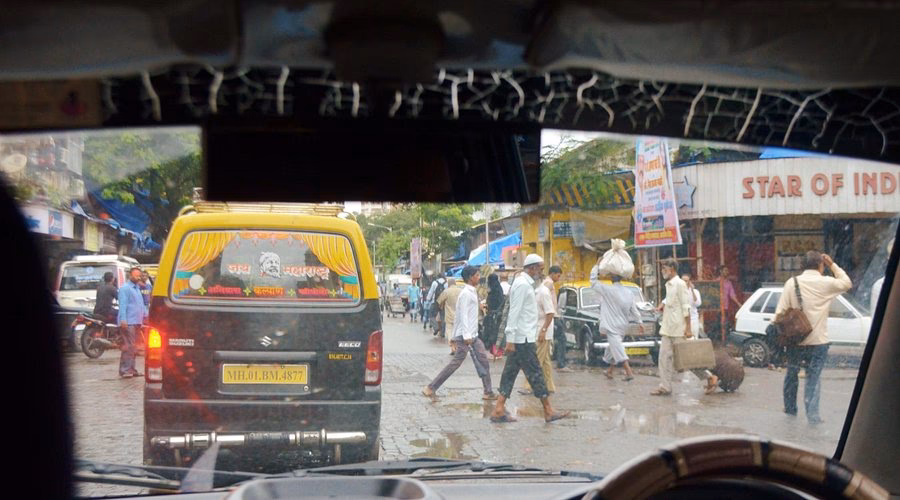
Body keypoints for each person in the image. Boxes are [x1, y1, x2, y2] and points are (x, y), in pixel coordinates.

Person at [489, 254, 570, 423]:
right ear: (531, 268)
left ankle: (498, 408)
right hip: (521, 339)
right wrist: (510, 340)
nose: (542, 273)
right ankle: (548, 410)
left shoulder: (528, 285)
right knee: (536, 374)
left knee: (510, 374)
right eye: (540, 269)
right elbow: (514, 312)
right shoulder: (522, 285)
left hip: (523, 337)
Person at [776, 251, 852, 425]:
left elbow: (780, 313)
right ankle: (813, 415)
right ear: (821, 265)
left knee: (792, 373)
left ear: (802, 266)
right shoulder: (826, 283)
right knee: (813, 377)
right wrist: (833, 264)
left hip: (796, 341)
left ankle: (790, 409)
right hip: (818, 342)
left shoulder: (791, 283)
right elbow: (847, 283)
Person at [422, 266, 497, 400]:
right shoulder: (466, 294)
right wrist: (465, 336)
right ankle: (431, 387)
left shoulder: (472, 291)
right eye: (477, 275)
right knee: (455, 363)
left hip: (472, 334)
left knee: (483, 361)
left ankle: (488, 391)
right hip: (466, 336)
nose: (479, 278)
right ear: (470, 277)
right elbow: (462, 315)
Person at [652, 259, 718, 396]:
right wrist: (661, 307)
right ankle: (665, 387)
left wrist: (687, 328)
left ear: (672, 269)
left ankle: (709, 377)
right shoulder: (669, 285)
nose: (663, 271)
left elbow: (685, 307)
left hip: (678, 329)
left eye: (665, 268)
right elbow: (670, 303)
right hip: (667, 328)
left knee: (686, 359)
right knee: (663, 358)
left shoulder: (680, 284)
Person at [594, 272, 643, 381]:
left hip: (611, 326)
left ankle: (629, 372)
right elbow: (634, 309)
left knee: (617, 348)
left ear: (611, 278)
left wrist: (596, 267)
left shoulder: (607, 290)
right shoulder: (628, 292)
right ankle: (610, 371)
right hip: (622, 326)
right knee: (613, 347)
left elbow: (593, 282)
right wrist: (639, 322)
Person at [521, 265, 562, 394]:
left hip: (542, 331)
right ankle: (549, 386)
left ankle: (529, 386)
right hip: (537, 329)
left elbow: (550, 313)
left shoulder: (543, 292)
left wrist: (543, 331)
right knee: (545, 361)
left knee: (535, 360)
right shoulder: (534, 291)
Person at [117, 267, 147, 378]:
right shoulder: (125, 289)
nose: (138, 277)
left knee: (134, 347)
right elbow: (123, 305)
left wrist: (144, 317)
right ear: (130, 276)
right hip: (128, 322)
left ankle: (132, 369)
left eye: (139, 275)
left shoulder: (137, 289)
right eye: (136, 275)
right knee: (128, 347)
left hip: (137, 322)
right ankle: (124, 370)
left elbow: (141, 305)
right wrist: (123, 319)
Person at [482, 274, 505, 359]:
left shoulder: (493, 291)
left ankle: (495, 351)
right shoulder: (498, 289)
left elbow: (492, 302)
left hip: (493, 315)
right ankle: (496, 351)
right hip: (497, 315)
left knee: (493, 333)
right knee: (496, 333)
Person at [437, 278, 462, 351]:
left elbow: (439, 301)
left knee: (449, 330)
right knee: (457, 331)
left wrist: (441, 306)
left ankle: (452, 346)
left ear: (448, 284)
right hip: (459, 315)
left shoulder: (446, 291)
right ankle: (455, 346)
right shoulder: (461, 291)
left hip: (449, 315)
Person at [718, 265, 742, 333]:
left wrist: (738, 303)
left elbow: (732, 295)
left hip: (725, 306)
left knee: (724, 322)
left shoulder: (728, 283)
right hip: (717, 306)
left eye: (727, 271)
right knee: (719, 322)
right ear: (721, 271)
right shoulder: (716, 281)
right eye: (725, 270)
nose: (727, 272)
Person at [683, 272, 703, 338]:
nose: (684, 282)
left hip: (693, 319)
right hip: (681, 320)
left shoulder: (695, 291)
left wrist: (692, 290)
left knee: (694, 339)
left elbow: (698, 304)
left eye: (686, 281)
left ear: (689, 282)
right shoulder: (678, 292)